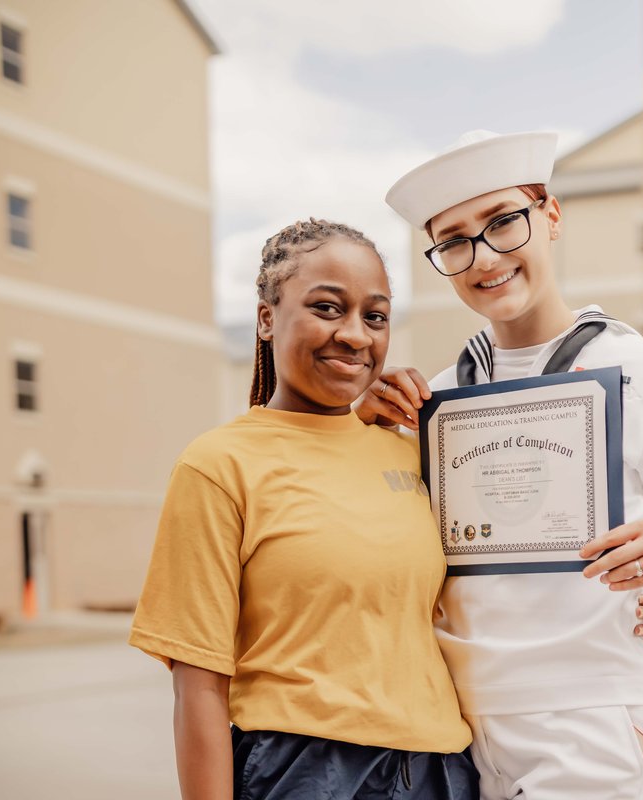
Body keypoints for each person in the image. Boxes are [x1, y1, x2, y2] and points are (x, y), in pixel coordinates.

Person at [358, 130, 643, 800]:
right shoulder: (433, 397)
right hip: (450, 726)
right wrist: (361, 430)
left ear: (551, 216)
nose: (483, 256)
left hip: (589, 720)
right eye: (454, 240)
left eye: (502, 223)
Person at [128, 219, 480, 800]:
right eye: (326, 308)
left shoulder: (414, 454)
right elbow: (199, 687)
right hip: (302, 771)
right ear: (266, 318)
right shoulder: (219, 465)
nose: (356, 335)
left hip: (441, 770)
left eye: (375, 316)